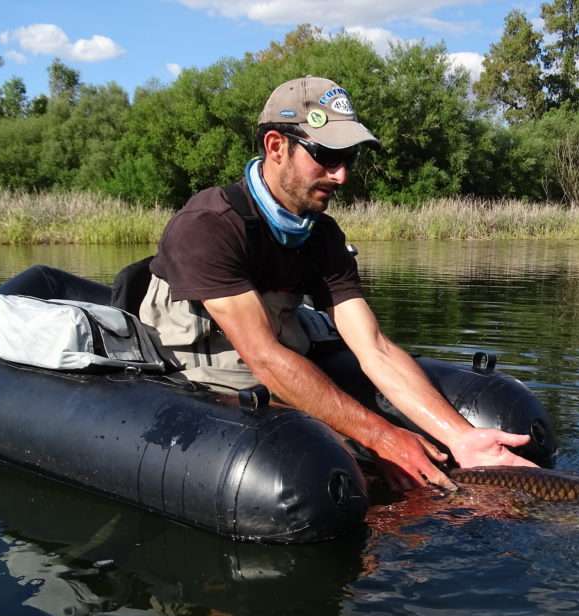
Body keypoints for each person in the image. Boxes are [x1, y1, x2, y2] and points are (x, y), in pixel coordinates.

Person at [139, 76, 536, 490]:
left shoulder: (322, 236)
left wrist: (462, 437)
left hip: (277, 350)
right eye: (326, 155)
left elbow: (375, 348)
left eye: (349, 157)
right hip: (204, 366)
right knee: (347, 463)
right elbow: (265, 358)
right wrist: (379, 438)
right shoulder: (210, 226)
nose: (342, 175)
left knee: (390, 448)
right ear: (276, 146)